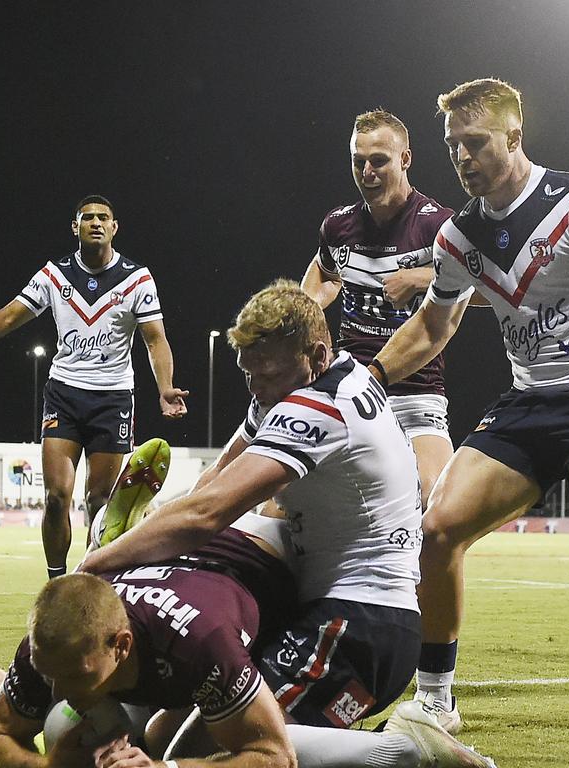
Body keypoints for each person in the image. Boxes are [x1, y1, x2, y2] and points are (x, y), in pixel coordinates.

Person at [79, 281, 440, 732]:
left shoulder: (320, 406)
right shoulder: (310, 383)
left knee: (214, 744)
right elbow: (218, 477)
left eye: (266, 374)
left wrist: (97, 564)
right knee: (163, 730)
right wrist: (161, 526)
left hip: (360, 627)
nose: (256, 388)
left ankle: (408, 752)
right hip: (328, 607)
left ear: (317, 355)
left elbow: (207, 514)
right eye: (247, 373)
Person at [367, 78, 569, 733]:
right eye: (453, 148)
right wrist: (366, 379)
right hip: (529, 403)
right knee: (438, 528)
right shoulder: (458, 237)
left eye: (475, 143)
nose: (463, 158)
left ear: (513, 136)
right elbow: (431, 328)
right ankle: (436, 699)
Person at [0, 516, 496, 768]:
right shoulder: (57, 644)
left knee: (188, 748)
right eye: (51, 676)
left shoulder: (198, 640)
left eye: (74, 678)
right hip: (199, 574)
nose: (60, 689)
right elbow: (5, 722)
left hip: (283, 564)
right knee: (84, 727)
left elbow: (272, 757)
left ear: (121, 647)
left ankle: (408, 750)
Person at [0, 196, 188, 579]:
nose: (95, 222)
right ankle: (57, 582)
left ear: (114, 227)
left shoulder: (137, 278)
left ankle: (98, 579)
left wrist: (165, 388)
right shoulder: (54, 275)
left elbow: (155, 339)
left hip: (112, 398)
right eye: (87, 217)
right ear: (74, 227)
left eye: (103, 218)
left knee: (99, 502)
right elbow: (12, 315)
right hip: (64, 393)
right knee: (57, 498)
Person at [302, 109, 456, 510]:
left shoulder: (437, 225)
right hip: (349, 384)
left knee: (435, 506)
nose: (367, 172)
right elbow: (324, 273)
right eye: (358, 162)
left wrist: (423, 277)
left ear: (405, 159)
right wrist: (310, 310)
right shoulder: (337, 225)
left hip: (416, 392)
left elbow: (488, 290)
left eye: (379, 160)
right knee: (291, 499)